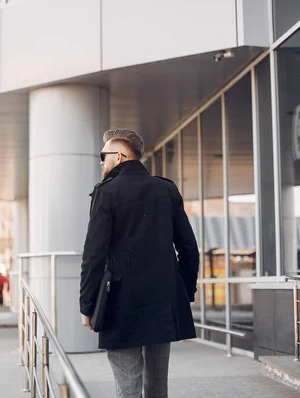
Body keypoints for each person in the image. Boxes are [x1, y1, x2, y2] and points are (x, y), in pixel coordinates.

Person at [79, 129, 199, 398]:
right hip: (163, 300)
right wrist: (185, 291)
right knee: (157, 385)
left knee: (127, 385)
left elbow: (93, 255)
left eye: (103, 156)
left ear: (119, 157)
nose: (101, 162)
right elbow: (189, 247)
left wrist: (87, 304)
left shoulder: (106, 192)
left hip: (121, 302)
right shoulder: (166, 189)